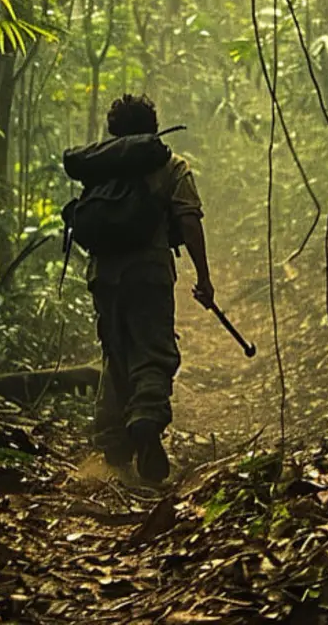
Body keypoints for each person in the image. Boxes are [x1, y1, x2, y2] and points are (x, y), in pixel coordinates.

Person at [86, 94, 215, 483]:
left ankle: (115, 448)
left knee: (116, 351)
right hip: (149, 272)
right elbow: (189, 221)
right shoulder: (170, 165)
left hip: (103, 275)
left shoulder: (100, 169)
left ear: (114, 132)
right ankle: (145, 415)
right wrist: (204, 277)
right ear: (153, 128)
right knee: (153, 350)